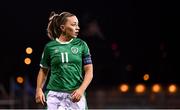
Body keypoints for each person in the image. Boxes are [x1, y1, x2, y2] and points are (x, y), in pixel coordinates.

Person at [35, 11, 93, 110]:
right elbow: (43, 70)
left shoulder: (81, 45)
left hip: (75, 94)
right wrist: (39, 90)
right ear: (62, 28)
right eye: (74, 25)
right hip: (54, 95)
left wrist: (81, 90)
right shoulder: (50, 47)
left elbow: (89, 71)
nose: (77, 28)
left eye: (78, 25)